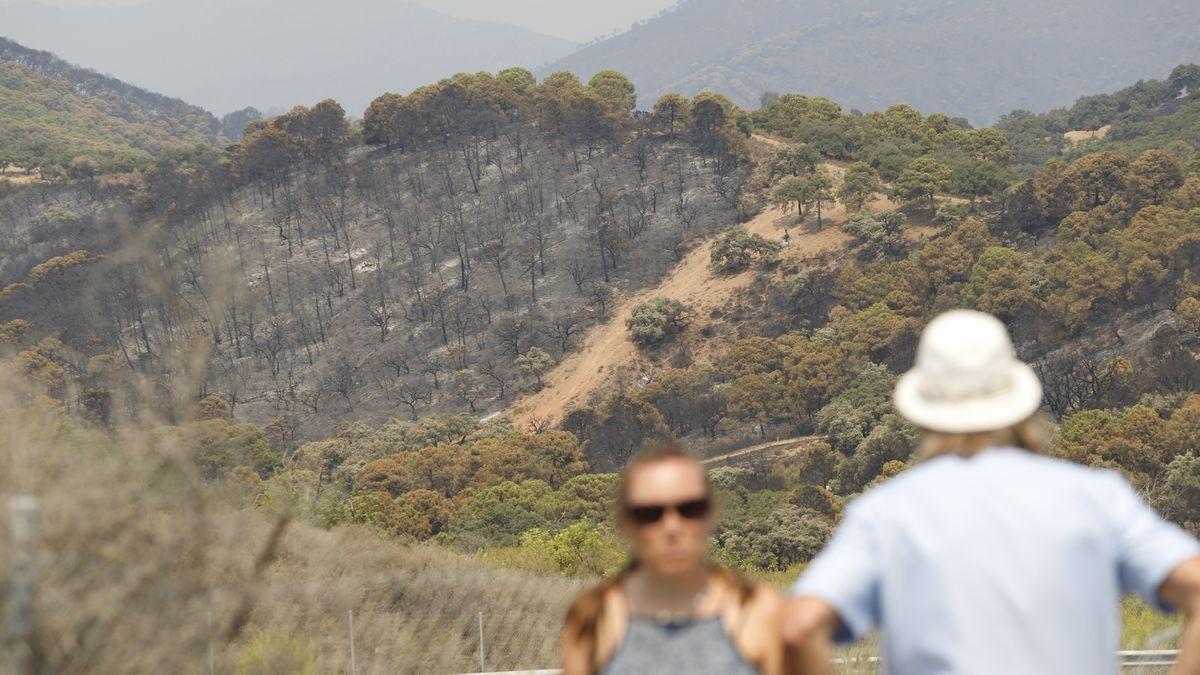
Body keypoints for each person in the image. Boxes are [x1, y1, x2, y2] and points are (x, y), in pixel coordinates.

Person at [781, 309, 1200, 674]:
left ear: (924, 408)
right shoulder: (1096, 498)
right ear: (1017, 400)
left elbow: (798, 628)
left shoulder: (885, 514)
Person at [562, 443, 787, 674]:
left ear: (711, 513)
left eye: (690, 509)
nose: (672, 527)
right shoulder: (592, 616)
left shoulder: (758, 609)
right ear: (625, 523)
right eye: (650, 513)